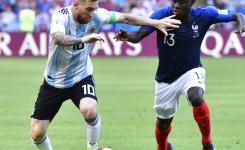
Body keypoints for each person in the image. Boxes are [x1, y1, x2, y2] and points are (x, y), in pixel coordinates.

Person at [29, 0, 181, 150]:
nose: (92, 13)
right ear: (76, 5)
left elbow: (126, 18)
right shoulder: (61, 16)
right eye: (88, 9)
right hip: (53, 82)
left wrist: (155, 23)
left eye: (94, 9)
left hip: (81, 76)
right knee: (37, 133)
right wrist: (84, 39)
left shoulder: (98, 15)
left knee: (89, 109)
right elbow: (57, 38)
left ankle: (93, 148)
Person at [114, 0, 245, 150]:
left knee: (196, 96)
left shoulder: (205, 14)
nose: (176, 5)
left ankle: (207, 143)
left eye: (181, 2)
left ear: (191, 3)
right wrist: (127, 35)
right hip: (165, 79)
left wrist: (243, 23)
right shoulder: (161, 15)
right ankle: (163, 147)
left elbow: (237, 15)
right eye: (174, 1)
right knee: (163, 122)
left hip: (191, 70)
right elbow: (138, 36)